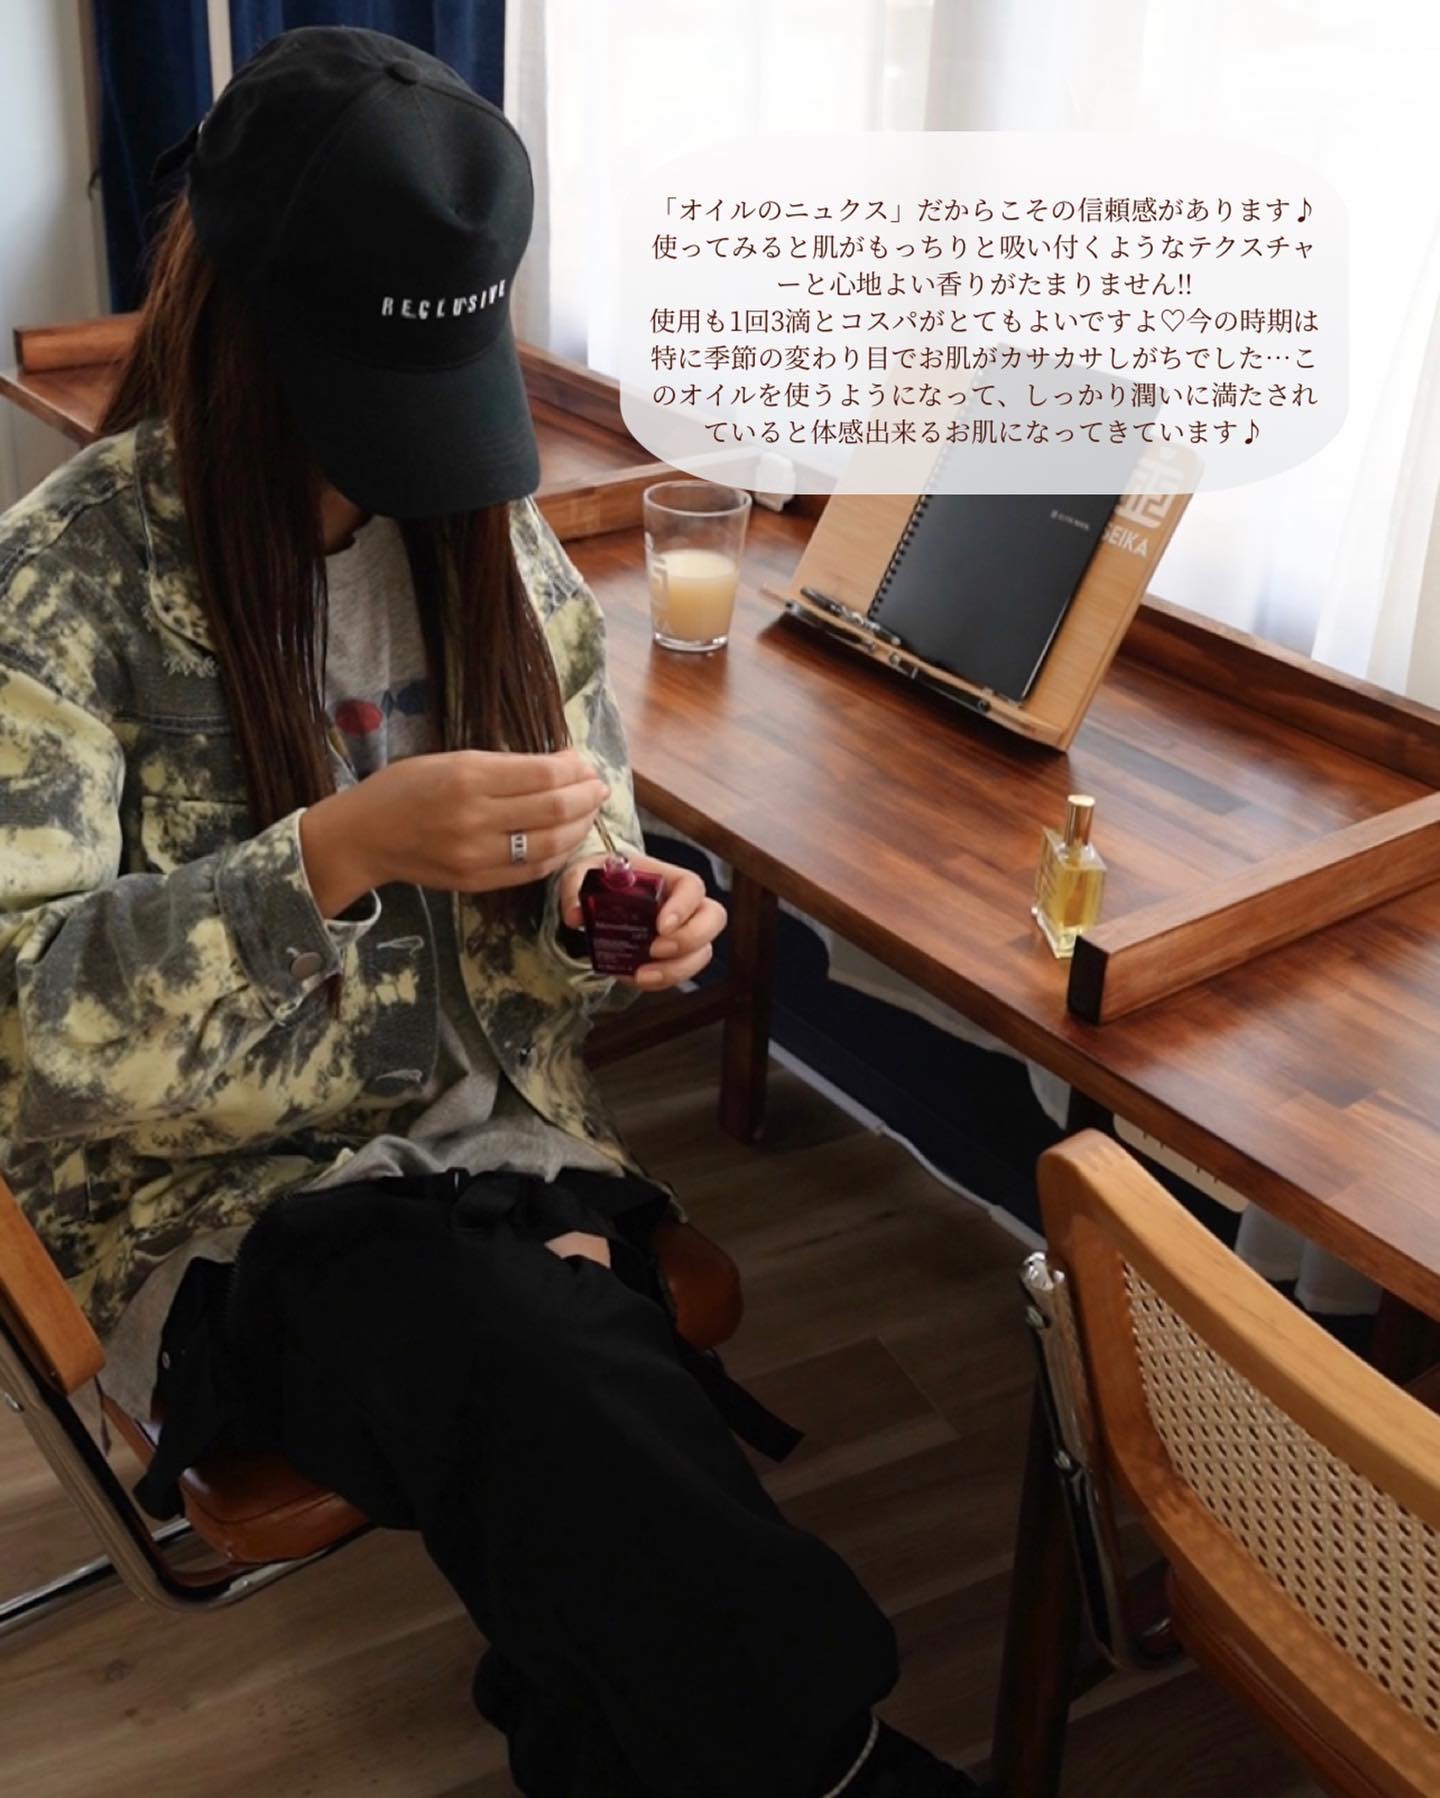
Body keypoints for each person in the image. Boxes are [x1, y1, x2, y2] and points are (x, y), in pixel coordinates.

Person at [0, 26, 978, 1798]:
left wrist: (620, 906)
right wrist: (327, 858)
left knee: (566, 1442)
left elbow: (572, 858)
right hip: (222, 1220)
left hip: (510, 1154)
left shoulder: (486, 539)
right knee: (547, 1366)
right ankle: (845, 1765)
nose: (394, 474)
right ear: (242, 330)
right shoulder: (63, 592)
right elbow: (27, 1031)